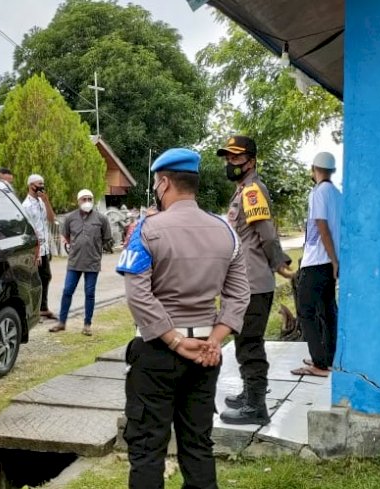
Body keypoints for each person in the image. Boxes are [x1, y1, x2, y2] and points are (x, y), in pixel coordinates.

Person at [118, 148, 250, 489]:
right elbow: (239, 295)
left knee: (148, 448)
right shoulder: (226, 231)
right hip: (206, 353)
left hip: (157, 352)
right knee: (197, 445)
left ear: (163, 183)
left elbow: (138, 294)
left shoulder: (146, 230)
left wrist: (176, 340)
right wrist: (214, 341)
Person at [217, 135, 292, 426]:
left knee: (250, 343)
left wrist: (279, 263)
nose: (230, 163)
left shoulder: (251, 192)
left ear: (251, 160)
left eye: (235, 158)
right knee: (243, 340)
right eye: (228, 158)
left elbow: (267, 234)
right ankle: (250, 393)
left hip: (254, 283)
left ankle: (256, 406)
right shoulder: (243, 190)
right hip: (245, 282)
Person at [290, 152, 342, 378]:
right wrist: (335, 261)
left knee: (306, 310)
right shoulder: (337, 194)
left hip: (317, 262)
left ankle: (319, 365)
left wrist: (332, 258)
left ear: (314, 169)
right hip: (329, 264)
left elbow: (321, 225)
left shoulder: (318, 192)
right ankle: (328, 359)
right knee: (328, 311)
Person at [49, 189, 112, 336]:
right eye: (83, 199)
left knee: (89, 293)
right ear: (78, 201)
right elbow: (66, 235)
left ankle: (87, 324)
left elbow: (106, 238)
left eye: (89, 199)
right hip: (74, 262)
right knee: (67, 291)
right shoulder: (70, 218)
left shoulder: (101, 219)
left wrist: (95, 247)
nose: (87, 202)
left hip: (93, 262)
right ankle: (62, 322)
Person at [22, 174, 58, 319]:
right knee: (34, 281)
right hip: (35, 249)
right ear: (31, 186)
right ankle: (33, 311)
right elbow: (28, 230)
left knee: (46, 277)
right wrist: (35, 253)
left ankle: (43, 308)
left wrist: (46, 200)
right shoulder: (26, 206)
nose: (42, 186)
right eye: (39, 184)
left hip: (45, 248)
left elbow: (51, 219)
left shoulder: (41, 202)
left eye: (43, 183)